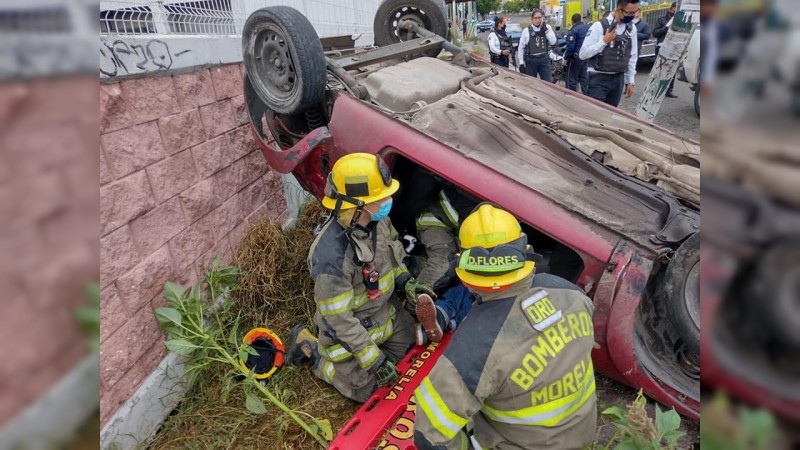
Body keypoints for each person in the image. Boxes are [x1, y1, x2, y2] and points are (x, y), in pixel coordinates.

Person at [413, 204, 597, 449]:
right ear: (525, 252)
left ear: (466, 268)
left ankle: (445, 314)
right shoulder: (570, 293)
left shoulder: (469, 353)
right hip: (581, 435)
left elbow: (429, 438)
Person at [285, 153, 437, 403]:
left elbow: (394, 254)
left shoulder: (380, 221)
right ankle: (312, 352)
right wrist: (374, 360)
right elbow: (340, 321)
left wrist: (405, 281)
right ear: (359, 205)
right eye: (381, 197)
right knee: (369, 391)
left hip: (383, 316)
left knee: (414, 355)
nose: (388, 200)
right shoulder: (331, 258)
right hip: (347, 337)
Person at [579, 0, 640, 106]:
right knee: (596, 117)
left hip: (618, 79)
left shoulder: (631, 28)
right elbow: (583, 54)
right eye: (629, 13)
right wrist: (604, 41)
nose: (632, 16)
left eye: (635, 12)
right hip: (598, 78)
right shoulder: (599, 26)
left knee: (610, 116)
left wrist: (630, 81)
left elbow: (632, 55)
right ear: (618, 10)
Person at [517, 9, 557, 81]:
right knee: (531, 83)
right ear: (532, 19)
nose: (538, 20)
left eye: (539, 17)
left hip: (544, 59)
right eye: (535, 18)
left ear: (542, 18)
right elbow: (521, 48)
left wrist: (546, 30)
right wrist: (521, 63)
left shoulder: (547, 27)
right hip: (531, 60)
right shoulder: (526, 31)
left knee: (548, 83)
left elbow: (553, 42)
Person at [653, 2, 678, 97]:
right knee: (659, 68)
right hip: (661, 46)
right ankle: (655, 88)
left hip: (674, 47)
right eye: (673, 10)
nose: (674, 12)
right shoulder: (661, 20)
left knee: (672, 69)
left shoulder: (679, 21)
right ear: (670, 9)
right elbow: (655, 32)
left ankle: (669, 90)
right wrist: (666, 28)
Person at [564, 13, 590, 93]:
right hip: (586, 57)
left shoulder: (574, 30)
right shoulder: (588, 28)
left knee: (571, 80)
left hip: (575, 59)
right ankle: (588, 97)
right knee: (584, 79)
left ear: (572, 21)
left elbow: (570, 47)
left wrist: (566, 58)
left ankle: (570, 97)